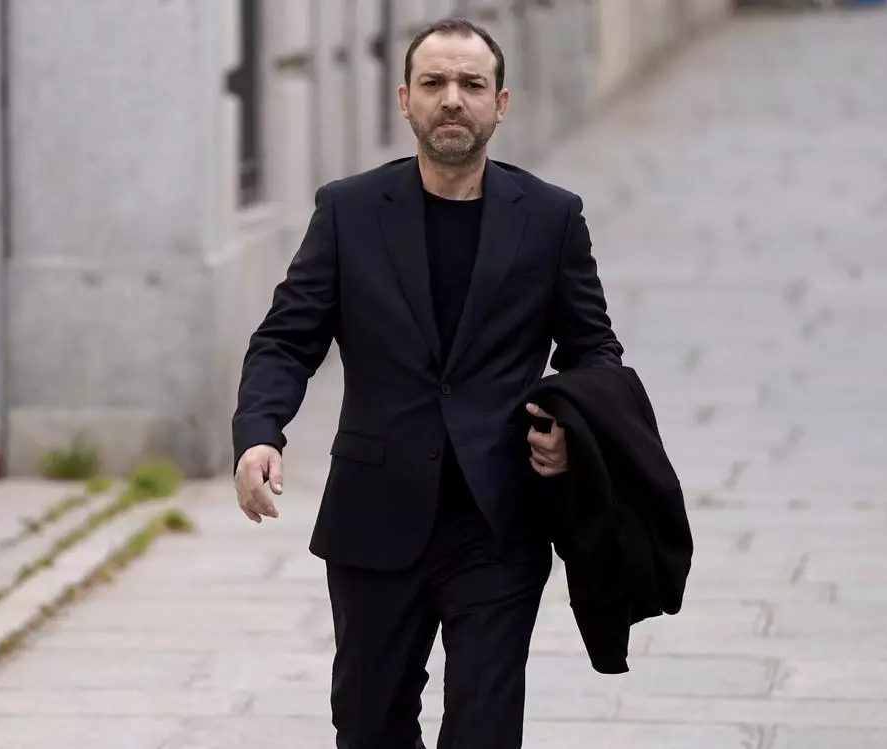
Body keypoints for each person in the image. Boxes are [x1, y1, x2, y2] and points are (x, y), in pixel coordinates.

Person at [232, 16, 623, 749]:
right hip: (375, 516)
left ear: (499, 104)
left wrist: (573, 430)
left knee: (484, 730)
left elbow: (594, 350)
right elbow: (287, 338)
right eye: (434, 82)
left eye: (471, 84)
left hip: (498, 518)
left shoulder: (550, 217)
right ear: (404, 99)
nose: (451, 99)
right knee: (369, 726)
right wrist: (259, 432)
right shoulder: (348, 211)